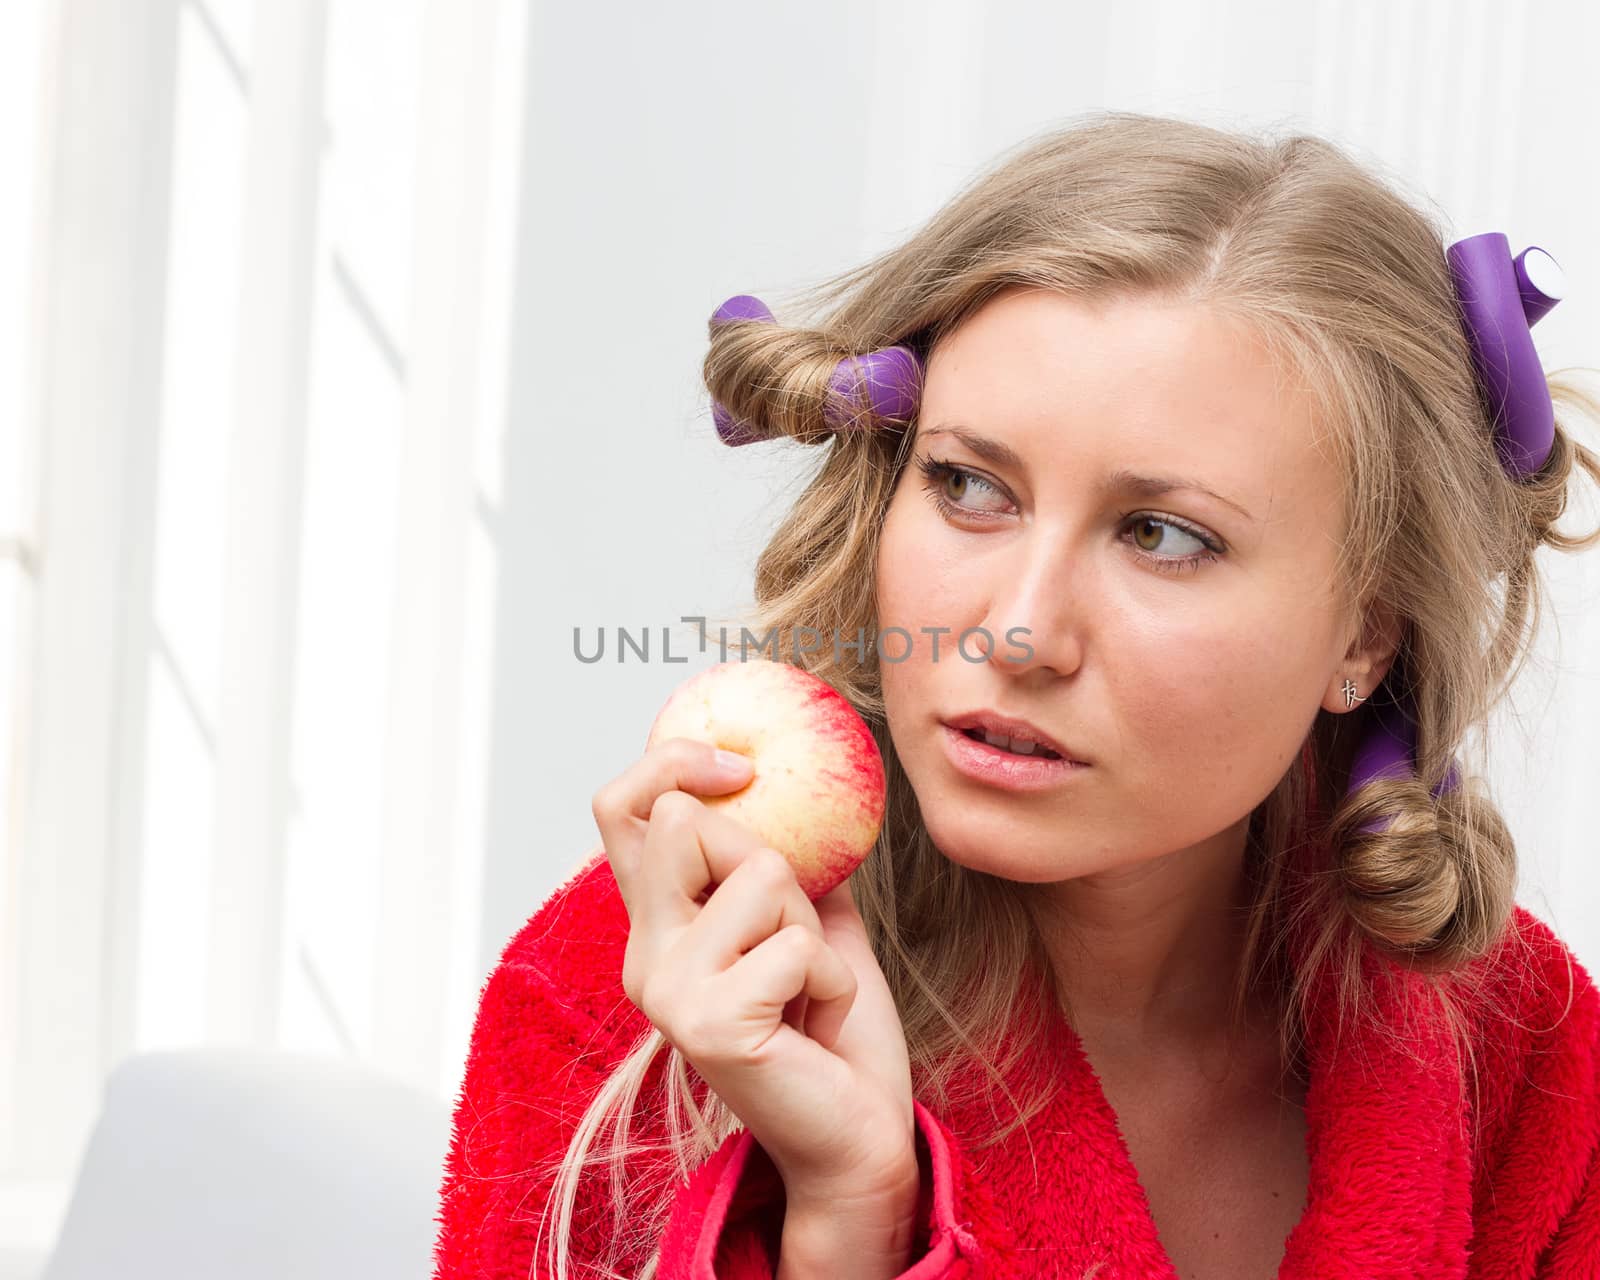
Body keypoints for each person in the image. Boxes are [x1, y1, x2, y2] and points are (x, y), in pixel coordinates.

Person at [430, 112, 1600, 1279]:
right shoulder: (642, 1003)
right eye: (967, 484)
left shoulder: (1528, 1059)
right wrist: (849, 1212)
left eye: (1161, 533)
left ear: (1367, 629)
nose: (1016, 627)